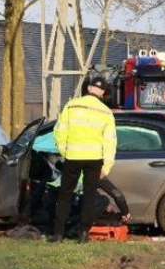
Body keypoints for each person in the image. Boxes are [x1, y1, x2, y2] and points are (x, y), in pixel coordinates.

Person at [48, 76, 117, 243]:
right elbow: (110, 141)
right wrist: (106, 167)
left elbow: (59, 132)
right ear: (102, 92)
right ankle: (84, 233)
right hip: (94, 159)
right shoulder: (106, 112)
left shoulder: (72, 106)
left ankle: (58, 234)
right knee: (89, 196)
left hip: (73, 157)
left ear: (88, 88)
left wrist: (65, 152)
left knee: (65, 195)